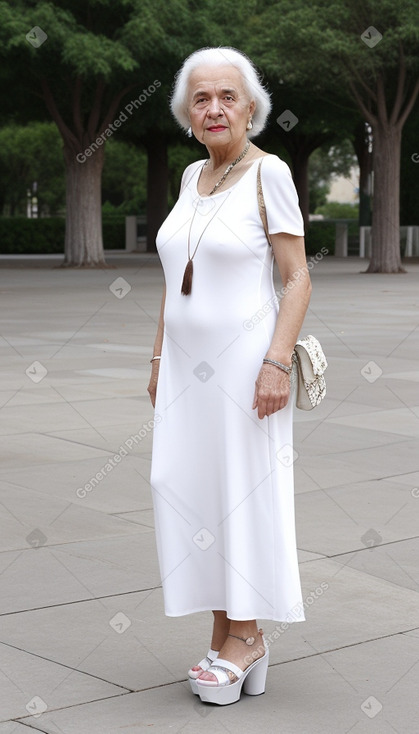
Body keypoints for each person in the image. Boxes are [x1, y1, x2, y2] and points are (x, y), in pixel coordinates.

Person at [148, 46, 311, 706]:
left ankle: (245, 635)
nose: (213, 108)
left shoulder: (267, 173)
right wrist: (159, 359)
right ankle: (226, 634)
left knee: (239, 493)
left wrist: (276, 362)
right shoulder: (191, 178)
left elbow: (296, 277)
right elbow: (171, 282)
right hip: (186, 373)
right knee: (187, 488)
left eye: (226, 97)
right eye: (200, 99)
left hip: (247, 369)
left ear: (251, 109)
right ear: (188, 114)